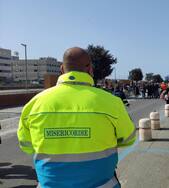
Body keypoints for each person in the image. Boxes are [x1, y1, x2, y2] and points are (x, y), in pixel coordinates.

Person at [17, 47, 136, 188]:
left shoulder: (34, 104)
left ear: (61, 69)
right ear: (90, 69)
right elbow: (129, 139)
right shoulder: (111, 102)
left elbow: (26, 145)